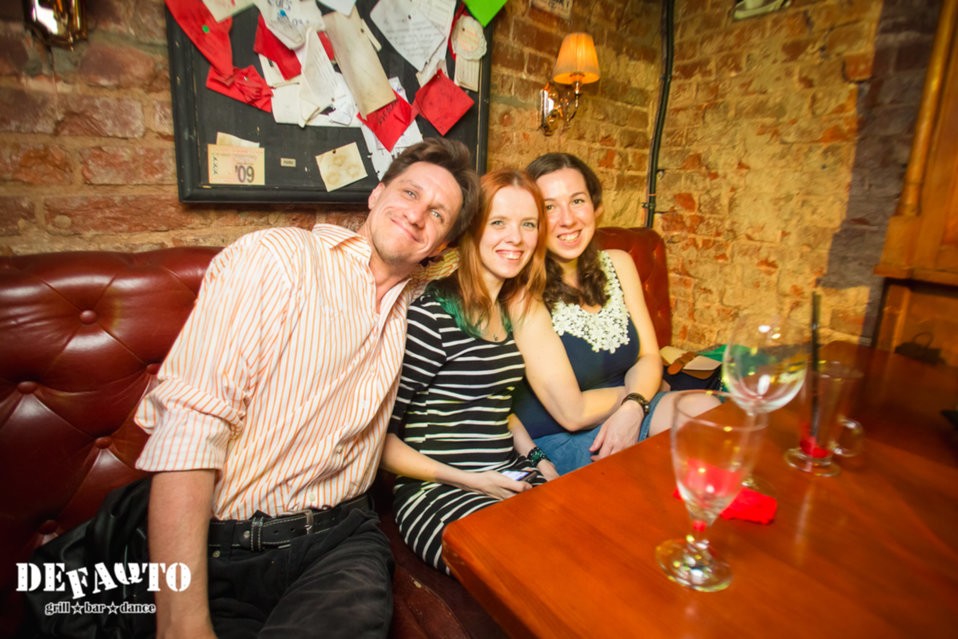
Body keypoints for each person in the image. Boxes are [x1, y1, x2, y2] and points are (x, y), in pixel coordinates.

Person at [133, 138, 480, 639]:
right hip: (225, 544)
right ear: (376, 194)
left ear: (441, 245)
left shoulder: (415, 302)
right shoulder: (278, 260)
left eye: (438, 213)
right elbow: (190, 428)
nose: (416, 214)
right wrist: (182, 624)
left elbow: (493, 267)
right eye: (409, 193)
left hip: (341, 539)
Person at [381, 168, 553, 574]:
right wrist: (471, 481)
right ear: (472, 230)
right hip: (437, 492)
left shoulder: (507, 312)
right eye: (499, 222)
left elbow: (497, 408)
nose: (516, 238)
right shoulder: (433, 317)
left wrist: (540, 460)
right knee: (532, 568)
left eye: (528, 224)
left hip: (505, 475)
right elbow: (379, 439)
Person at [511, 152, 692, 476]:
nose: (568, 219)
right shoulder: (524, 291)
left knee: (707, 411)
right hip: (562, 438)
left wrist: (634, 406)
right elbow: (573, 414)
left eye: (577, 201)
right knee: (659, 467)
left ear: (596, 207)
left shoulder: (619, 263)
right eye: (549, 207)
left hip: (631, 411)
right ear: (532, 220)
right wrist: (643, 393)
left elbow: (649, 356)